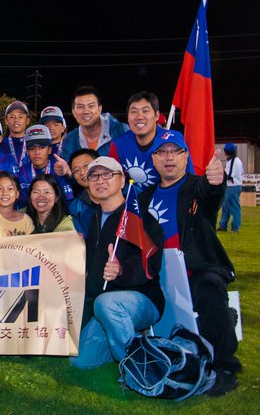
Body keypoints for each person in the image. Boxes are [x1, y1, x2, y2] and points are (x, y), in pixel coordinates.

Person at [139, 132, 240, 395]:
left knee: (209, 289)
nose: (169, 157)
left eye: (176, 151)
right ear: (153, 159)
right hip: (158, 271)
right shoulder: (144, 196)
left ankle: (224, 366)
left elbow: (211, 194)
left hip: (196, 267)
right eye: (162, 152)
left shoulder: (196, 186)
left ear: (186, 157)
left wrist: (216, 182)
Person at [71, 156, 164, 370]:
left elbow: (151, 265)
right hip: (102, 304)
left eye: (107, 174)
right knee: (80, 361)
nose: (100, 180)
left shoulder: (140, 218)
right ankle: (127, 340)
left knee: (107, 304)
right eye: (94, 176)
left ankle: (139, 368)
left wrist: (122, 270)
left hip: (141, 300)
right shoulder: (94, 219)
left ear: (122, 181)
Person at [108, 91, 193, 190]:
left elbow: (189, 180)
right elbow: (113, 183)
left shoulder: (173, 141)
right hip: (135, 198)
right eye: (134, 112)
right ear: (128, 117)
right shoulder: (118, 145)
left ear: (157, 115)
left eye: (145, 111)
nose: (139, 117)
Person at [60, 86, 127, 159]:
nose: (86, 111)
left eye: (91, 106)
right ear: (73, 112)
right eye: (80, 107)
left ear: (100, 109)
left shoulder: (121, 131)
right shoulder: (69, 140)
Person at [17, 125, 74, 208]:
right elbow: (21, 205)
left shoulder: (58, 169)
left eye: (41, 147)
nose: (37, 152)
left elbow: (67, 202)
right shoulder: (22, 172)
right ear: (27, 152)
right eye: (32, 148)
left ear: (49, 150)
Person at [67, 148, 100, 236]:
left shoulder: (121, 195)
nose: (82, 172)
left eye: (86, 166)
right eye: (76, 170)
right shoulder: (75, 207)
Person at [218, 142, 243, 233]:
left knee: (234, 207)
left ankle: (235, 227)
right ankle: (223, 225)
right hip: (233, 186)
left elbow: (229, 175)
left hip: (232, 186)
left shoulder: (233, 161)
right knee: (226, 206)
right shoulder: (236, 161)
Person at [0, 101, 31, 173]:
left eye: (20, 117)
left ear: (27, 120)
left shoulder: (34, 144)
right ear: (6, 121)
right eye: (12, 117)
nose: (16, 120)